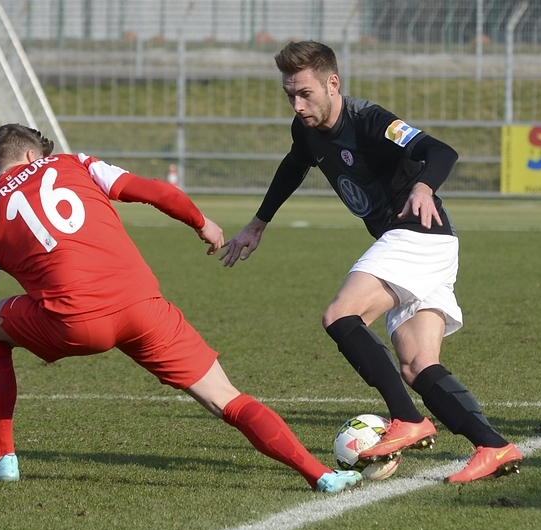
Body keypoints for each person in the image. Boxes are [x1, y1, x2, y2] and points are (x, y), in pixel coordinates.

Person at [0, 123, 362, 493]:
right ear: (31, 156)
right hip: (142, 306)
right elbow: (152, 190)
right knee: (227, 398)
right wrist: (201, 222)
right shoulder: (74, 163)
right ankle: (320, 474)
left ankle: (2, 457)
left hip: (73, 323)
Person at [219, 41, 522, 483]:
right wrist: (258, 223)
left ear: (332, 83)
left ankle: (408, 419)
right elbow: (294, 165)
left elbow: (441, 151)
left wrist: (423, 187)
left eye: (305, 94)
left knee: (341, 315)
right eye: (290, 95)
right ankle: (493, 445)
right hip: (423, 247)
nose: (298, 105)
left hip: (417, 235)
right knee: (417, 365)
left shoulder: (369, 120)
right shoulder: (305, 129)